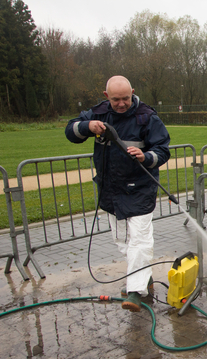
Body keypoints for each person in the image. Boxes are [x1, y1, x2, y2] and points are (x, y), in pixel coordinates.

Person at [65, 76, 171, 312]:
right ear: (106, 97)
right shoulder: (98, 113)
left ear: (132, 92)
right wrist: (87, 127)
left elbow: (163, 149)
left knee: (140, 241)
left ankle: (134, 291)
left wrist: (146, 157)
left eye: (125, 98)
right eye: (116, 99)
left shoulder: (147, 117)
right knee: (123, 241)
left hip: (140, 189)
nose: (122, 103)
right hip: (110, 191)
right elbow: (70, 131)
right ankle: (144, 277)